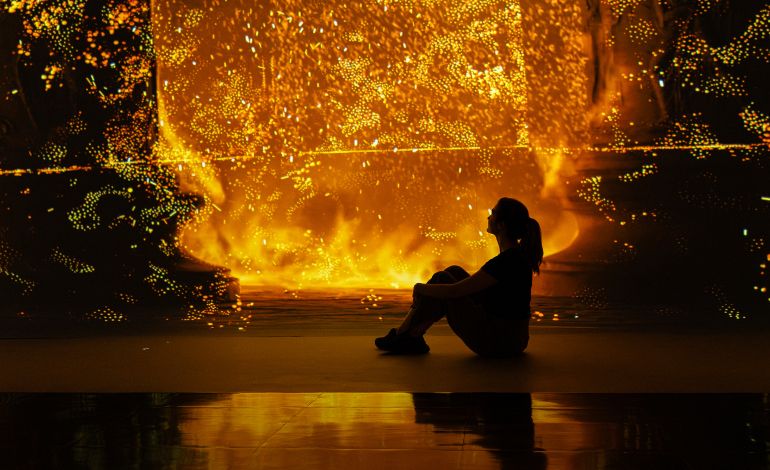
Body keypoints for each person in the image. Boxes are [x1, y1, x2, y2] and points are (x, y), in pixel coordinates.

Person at [375, 197, 543, 356]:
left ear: (502, 225)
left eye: (493, 213)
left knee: (443, 280)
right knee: (454, 272)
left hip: (499, 342)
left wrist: (419, 288)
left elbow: (454, 292)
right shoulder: (516, 257)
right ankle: (411, 335)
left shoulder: (505, 262)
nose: (488, 217)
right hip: (514, 340)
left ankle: (404, 334)